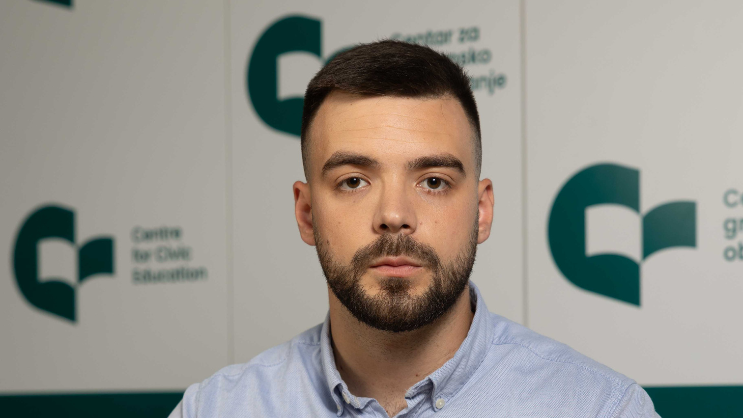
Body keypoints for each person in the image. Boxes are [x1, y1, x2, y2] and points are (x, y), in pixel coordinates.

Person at [169, 40, 659, 418]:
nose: (394, 214)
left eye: (433, 181)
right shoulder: (216, 409)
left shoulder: (600, 409)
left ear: (482, 211)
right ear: (307, 214)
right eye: (354, 181)